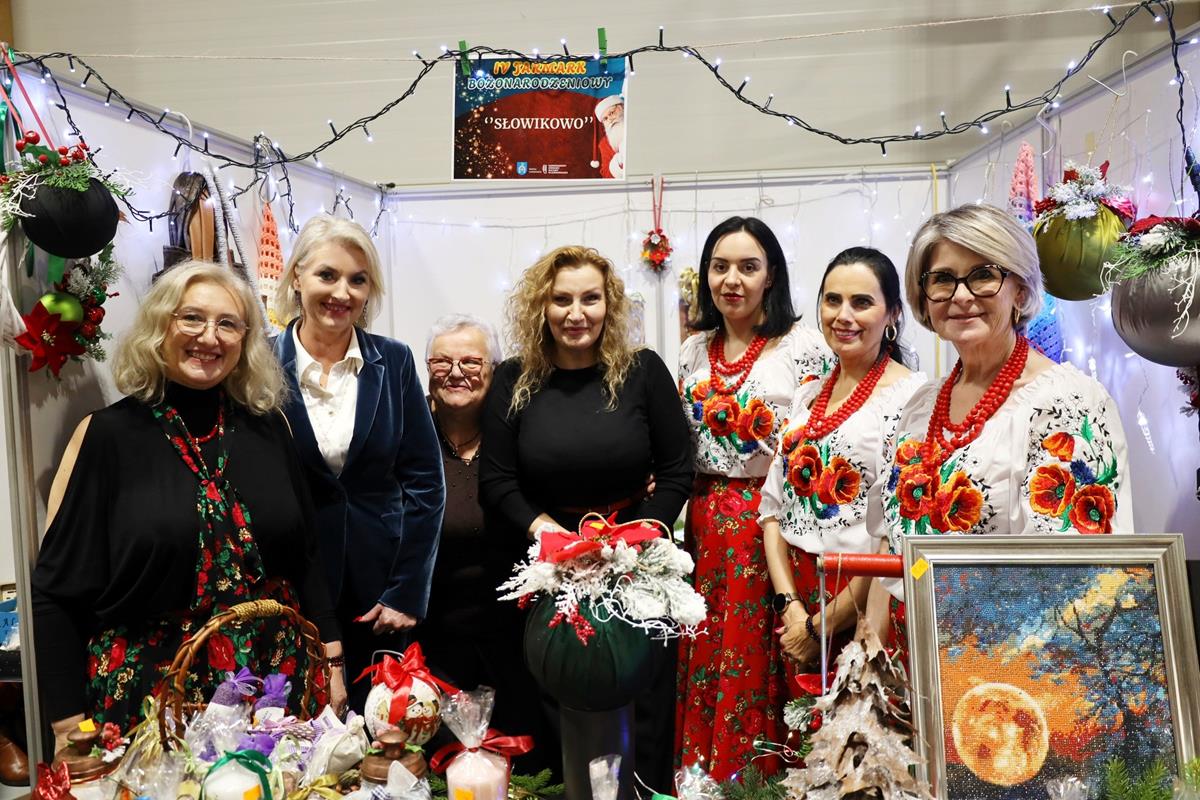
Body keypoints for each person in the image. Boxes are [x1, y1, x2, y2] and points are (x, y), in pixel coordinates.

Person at [31, 261, 346, 748]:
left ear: (245, 340)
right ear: (160, 326)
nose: (209, 337)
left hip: (274, 693)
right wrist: (67, 724)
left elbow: (306, 558)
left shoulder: (269, 428)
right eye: (192, 318)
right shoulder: (107, 437)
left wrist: (333, 660)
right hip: (152, 703)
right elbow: (56, 591)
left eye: (228, 324)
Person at [479, 245, 693, 789]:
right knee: (557, 701)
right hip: (547, 563)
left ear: (609, 305)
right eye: (562, 300)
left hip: (636, 563)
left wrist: (639, 536)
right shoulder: (514, 379)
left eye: (590, 299)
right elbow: (497, 480)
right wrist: (548, 534)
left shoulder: (642, 372)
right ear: (541, 307)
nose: (576, 313)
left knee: (640, 701)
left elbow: (676, 469)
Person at [874, 203, 1134, 645]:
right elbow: (890, 541)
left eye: (983, 275)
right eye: (942, 279)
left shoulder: (1066, 404)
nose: (961, 295)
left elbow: (1075, 579)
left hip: (1007, 657)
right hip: (910, 647)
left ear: (1020, 289)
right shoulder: (919, 406)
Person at [676, 216, 832, 780]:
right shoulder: (693, 350)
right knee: (709, 648)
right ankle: (705, 779)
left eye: (748, 267)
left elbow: (825, 436)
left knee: (770, 652)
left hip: (774, 525)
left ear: (771, 276)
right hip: (705, 523)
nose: (732, 280)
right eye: (720, 267)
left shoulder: (805, 347)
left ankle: (766, 781)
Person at [271, 215, 444, 711]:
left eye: (357, 279)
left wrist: (408, 590)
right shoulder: (259, 364)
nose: (342, 293)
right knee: (296, 723)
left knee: (386, 722)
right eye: (327, 275)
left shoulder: (395, 361)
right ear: (298, 277)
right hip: (292, 585)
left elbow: (426, 484)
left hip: (380, 590)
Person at [760, 248, 924, 686]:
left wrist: (822, 625)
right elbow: (773, 509)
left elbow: (892, 535)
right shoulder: (808, 394)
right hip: (793, 597)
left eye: (861, 302)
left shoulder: (911, 399)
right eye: (833, 300)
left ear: (892, 314)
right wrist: (791, 607)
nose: (843, 315)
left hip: (859, 599)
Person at [595, 96, 625, 179]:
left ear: (622, 107)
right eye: (605, 118)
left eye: (611, 113)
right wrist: (620, 160)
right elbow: (605, 173)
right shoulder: (604, 143)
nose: (610, 120)